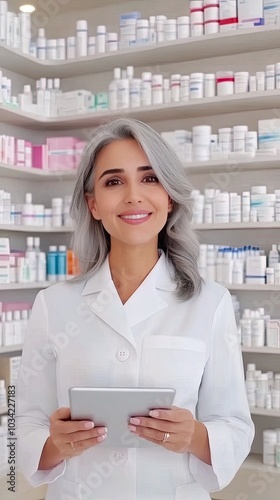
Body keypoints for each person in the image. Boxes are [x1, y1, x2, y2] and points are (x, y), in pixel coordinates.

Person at [16, 118, 254, 500]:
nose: (133, 196)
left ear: (170, 196)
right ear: (94, 204)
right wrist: (55, 445)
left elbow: (234, 424)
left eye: (149, 178)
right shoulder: (54, 304)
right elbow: (21, 421)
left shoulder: (210, 302)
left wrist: (194, 435)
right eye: (113, 182)